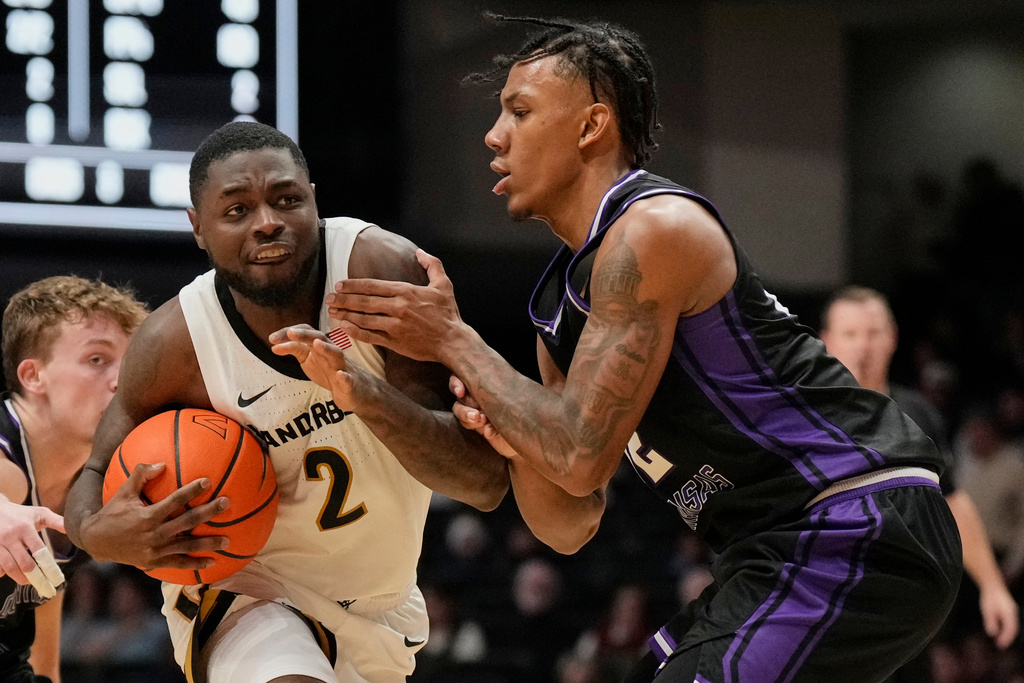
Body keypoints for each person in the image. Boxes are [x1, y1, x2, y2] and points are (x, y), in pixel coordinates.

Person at [322, 15, 963, 683]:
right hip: (771, 547)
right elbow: (570, 521)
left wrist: (453, 339)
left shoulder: (652, 229)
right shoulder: (559, 314)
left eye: (520, 110)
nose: (494, 134)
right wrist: (513, 431)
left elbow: (576, 453)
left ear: (591, 125)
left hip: (850, 516)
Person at [63, 121, 511, 683]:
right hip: (243, 590)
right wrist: (95, 534)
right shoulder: (176, 345)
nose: (267, 221)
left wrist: (362, 393)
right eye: (237, 210)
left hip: (381, 603)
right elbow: (94, 472)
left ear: (313, 201)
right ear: (198, 228)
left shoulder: (380, 274)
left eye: (286, 200)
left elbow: (482, 483)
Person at [819, 285, 1019, 659]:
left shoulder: (918, 413)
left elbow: (952, 503)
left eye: (873, 333)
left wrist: (992, 586)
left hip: (907, 610)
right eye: (850, 334)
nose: (863, 346)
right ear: (826, 340)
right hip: (829, 605)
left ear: (892, 338)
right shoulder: (804, 415)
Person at [1, 275, 147, 682]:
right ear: (33, 376)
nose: (120, 380)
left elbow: (42, 658)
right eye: (97, 359)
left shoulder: (88, 489)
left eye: (129, 363)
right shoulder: (8, 462)